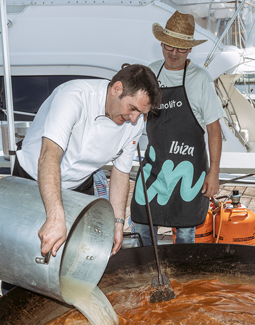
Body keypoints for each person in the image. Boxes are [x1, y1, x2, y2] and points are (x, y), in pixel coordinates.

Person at [14, 64, 161, 259]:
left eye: (141, 113)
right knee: (19, 252)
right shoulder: (74, 96)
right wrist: (56, 218)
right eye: (132, 108)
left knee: (76, 257)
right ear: (117, 89)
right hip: (32, 177)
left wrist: (118, 222)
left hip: (79, 185)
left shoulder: (134, 121)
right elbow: (49, 154)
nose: (134, 119)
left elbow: (121, 172)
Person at [129, 11, 224, 246]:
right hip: (154, 167)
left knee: (184, 233)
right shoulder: (150, 73)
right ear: (162, 43)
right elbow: (135, 114)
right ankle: (149, 270)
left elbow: (214, 129)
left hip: (188, 173)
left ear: (190, 49)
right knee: (141, 220)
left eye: (181, 49)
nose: (173, 53)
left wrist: (214, 172)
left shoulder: (200, 78)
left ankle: (180, 278)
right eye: (169, 46)